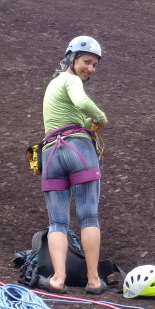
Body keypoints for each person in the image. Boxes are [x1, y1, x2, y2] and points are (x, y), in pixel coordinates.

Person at [37, 35, 108, 294]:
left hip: (50, 153)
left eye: (94, 65)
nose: (90, 68)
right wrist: (100, 117)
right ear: (72, 58)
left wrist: (88, 124)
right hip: (77, 149)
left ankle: (57, 279)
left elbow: (69, 117)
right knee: (88, 215)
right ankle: (93, 280)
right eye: (86, 61)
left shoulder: (53, 84)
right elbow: (81, 103)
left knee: (57, 222)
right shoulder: (71, 80)